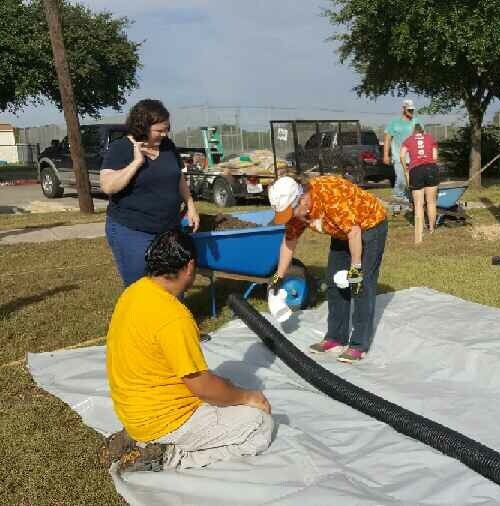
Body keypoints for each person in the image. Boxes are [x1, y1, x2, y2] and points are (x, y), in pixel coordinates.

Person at [100, 230, 273, 472]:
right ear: (190, 266)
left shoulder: (134, 292)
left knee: (227, 387)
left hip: (133, 413)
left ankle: (139, 438)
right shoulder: (174, 317)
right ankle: (167, 455)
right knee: (260, 424)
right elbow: (203, 387)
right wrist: (248, 397)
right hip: (166, 421)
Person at [269, 175, 387, 363]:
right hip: (342, 231)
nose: (290, 218)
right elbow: (289, 241)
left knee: (361, 285)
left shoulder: (330, 196)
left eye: (291, 212)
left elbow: (355, 232)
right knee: (333, 283)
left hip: (369, 225)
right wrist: (278, 276)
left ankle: (358, 345)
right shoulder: (298, 210)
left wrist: (355, 269)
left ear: (302, 199)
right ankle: (335, 337)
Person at [100, 99, 200, 287]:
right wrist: (137, 162)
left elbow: (178, 177)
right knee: (141, 284)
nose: (165, 134)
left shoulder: (168, 146)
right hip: (132, 229)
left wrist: (190, 205)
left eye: (167, 129)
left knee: (173, 280)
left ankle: (172, 314)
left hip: (168, 228)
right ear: (142, 126)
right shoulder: (120, 148)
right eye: (159, 130)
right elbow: (108, 186)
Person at [399, 124, 440, 242]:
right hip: (431, 168)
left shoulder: (408, 140)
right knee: (431, 202)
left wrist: (405, 169)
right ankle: (432, 229)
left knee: (418, 204)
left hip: (416, 170)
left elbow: (402, 155)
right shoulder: (430, 138)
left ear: (413, 132)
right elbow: (435, 157)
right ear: (423, 131)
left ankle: (420, 231)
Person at [382, 99, 422, 201]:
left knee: (412, 179)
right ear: (403, 109)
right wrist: (386, 155)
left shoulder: (417, 122)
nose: (411, 112)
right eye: (409, 110)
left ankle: (408, 198)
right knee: (401, 179)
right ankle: (398, 197)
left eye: (412, 110)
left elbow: (422, 138)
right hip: (398, 156)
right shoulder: (394, 123)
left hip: (414, 156)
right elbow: (387, 139)